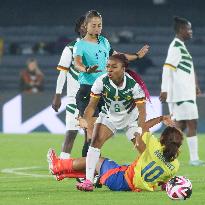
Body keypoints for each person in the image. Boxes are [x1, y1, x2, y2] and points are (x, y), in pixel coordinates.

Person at [73, 10, 150, 160]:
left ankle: (91, 171)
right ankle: (87, 173)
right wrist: (87, 69)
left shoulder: (104, 41)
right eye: (93, 25)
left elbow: (118, 57)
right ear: (86, 26)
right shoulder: (80, 45)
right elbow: (77, 63)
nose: (97, 28)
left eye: (99, 25)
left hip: (104, 91)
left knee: (96, 137)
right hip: (88, 91)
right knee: (91, 134)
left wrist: (136, 56)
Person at [76, 54, 156, 191]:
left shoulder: (134, 86)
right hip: (109, 117)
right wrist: (85, 119)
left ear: (123, 69)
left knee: (145, 150)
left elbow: (142, 113)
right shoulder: (101, 82)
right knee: (94, 142)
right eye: (108, 66)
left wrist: (138, 132)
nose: (109, 70)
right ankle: (88, 181)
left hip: (131, 119)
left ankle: (160, 180)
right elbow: (91, 106)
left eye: (114, 67)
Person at [47, 116, 181, 192]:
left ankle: (58, 165)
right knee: (107, 166)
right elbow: (164, 182)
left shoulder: (154, 146)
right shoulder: (175, 165)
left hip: (121, 181)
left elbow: (143, 127)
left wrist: (161, 118)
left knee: (98, 160)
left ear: (162, 139)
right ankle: (63, 173)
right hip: (134, 184)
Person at [160, 16, 205, 166]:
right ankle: (193, 159)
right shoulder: (175, 47)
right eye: (189, 29)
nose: (191, 32)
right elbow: (167, 68)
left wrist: (195, 85)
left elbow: (186, 70)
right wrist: (164, 89)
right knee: (190, 123)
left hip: (186, 93)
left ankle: (163, 155)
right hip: (181, 95)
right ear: (181, 30)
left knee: (179, 126)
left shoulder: (181, 46)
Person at [51, 16, 87, 160]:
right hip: (74, 99)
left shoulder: (99, 48)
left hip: (93, 99)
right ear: (79, 28)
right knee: (71, 133)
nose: (87, 28)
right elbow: (62, 72)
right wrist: (58, 94)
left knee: (91, 136)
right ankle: (62, 163)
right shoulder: (70, 48)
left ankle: (87, 168)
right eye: (84, 25)